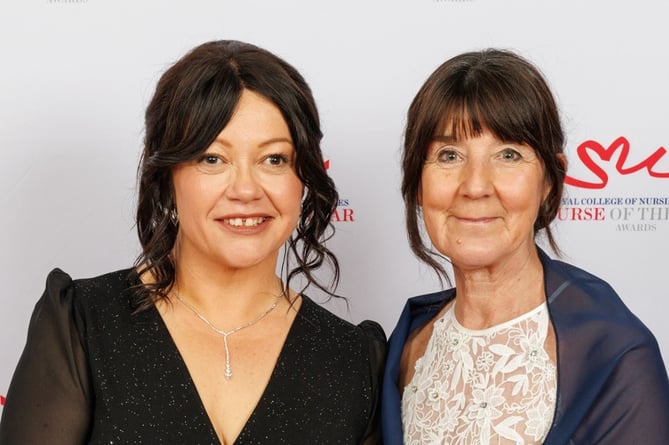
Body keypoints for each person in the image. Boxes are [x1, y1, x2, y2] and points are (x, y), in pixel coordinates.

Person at [0, 40, 385, 445]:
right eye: (212, 158)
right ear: (168, 175)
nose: (245, 189)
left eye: (274, 159)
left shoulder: (354, 360)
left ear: (303, 176)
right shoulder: (81, 324)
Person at [381, 48, 669, 444]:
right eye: (449, 155)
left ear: (550, 181)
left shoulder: (616, 355)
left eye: (508, 155)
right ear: (417, 183)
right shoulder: (403, 345)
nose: (476, 186)